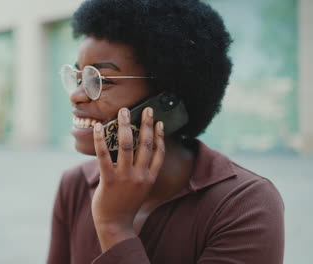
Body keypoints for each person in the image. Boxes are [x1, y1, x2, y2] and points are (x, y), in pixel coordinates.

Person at [47, 0, 285, 263]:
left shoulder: (245, 204)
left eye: (100, 80)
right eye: (78, 76)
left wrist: (114, 227)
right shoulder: (75, 185)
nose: (76, 96)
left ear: (167, 100)